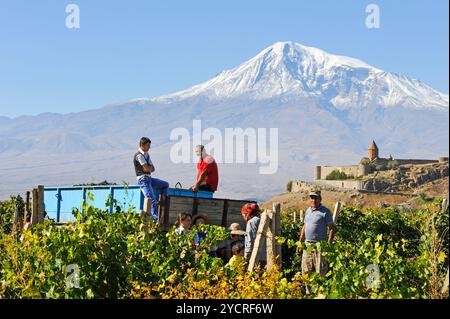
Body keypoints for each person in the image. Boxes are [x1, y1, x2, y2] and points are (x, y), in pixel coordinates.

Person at [297, 190, 335, 278]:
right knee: (306, 272)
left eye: (315, 198)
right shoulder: (308, 211)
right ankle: (308, 292)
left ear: (320, 199)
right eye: (312, 198)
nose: (313, 200)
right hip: (307, 246)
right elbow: (304, 228)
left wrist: (328, 245)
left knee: (321, 271)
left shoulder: (325, 212)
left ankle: (320, 291)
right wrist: (300, 243)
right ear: (309, 199)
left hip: (320, 246)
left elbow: (332, 229)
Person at [133, 137, 169, 224]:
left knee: (165, 185)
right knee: (151, 199)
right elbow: (146, 168)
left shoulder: (146, 155)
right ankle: (157, 220)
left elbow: (153, 169)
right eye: (147, 145)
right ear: (142, 145)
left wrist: (149, 168)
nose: (149, 147)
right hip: (143, 180)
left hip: (149, 178)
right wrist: (149, 168)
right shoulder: (139, 155)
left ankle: (163, 203)